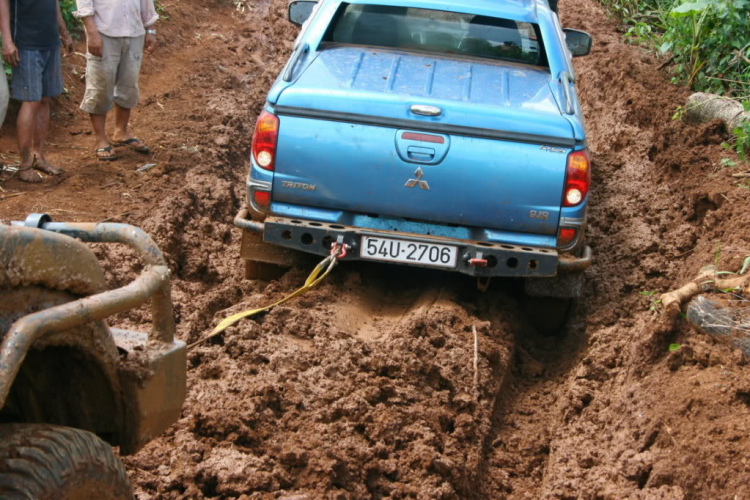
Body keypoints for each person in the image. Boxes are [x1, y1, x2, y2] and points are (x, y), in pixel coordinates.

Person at [0, 0, 74, 183]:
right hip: (26, 44)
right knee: (31, 101)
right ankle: (24, 165)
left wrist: (64, 32)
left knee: (44, 99)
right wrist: (7, 41)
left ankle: (38, 157)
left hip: (50, 42)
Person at [75, 0, 158, 161]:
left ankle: (121, 132)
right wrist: (92, 34)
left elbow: (146, 4)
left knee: (129, 85)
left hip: (135, 33)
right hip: (103, 33)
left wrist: (151, 31)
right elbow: (85, 5)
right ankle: (101, 139)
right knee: (100, 86)